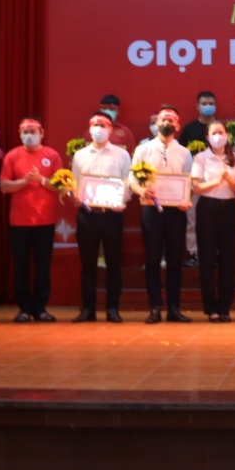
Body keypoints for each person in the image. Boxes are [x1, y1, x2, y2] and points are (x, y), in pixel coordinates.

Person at [129, 105, 195, 323]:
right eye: (163, 119)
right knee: (153, 259)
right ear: (156, 123)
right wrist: (141, 191)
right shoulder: (143, 149)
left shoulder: (184, 152)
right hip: (151, 210)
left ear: (178, 125)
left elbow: (189, 183)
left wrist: (186, 199)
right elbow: (132, 180)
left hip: (176, 212)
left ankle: (174, 308)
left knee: (175, 260)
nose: (167, 122)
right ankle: (155, 307)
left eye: (171, 120)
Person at [0, 116, 63, 322]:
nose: (29, 135)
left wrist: (41, 180)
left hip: (45, 220)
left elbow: (60, 186)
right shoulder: (12, 156)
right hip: (19, 221)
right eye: (25, 132)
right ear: (20, 134)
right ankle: (24, 309)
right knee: (21, 267)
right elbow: (4, 186)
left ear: (41, 133)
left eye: (33, 132)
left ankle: (40, 309)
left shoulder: (52, 155)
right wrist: (25, 181)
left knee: (43, 267)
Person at [70, 111, 131, 323]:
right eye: (95, 125)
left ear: (111, 129)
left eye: (103, 125)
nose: (99, 129)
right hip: (87, 215)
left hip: (112, 215)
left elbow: (128, 183)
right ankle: (88, 309)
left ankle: (112, 308)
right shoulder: (80, 155)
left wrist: (122, 200)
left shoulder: (121, 155)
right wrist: (73, 196)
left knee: (114, 263)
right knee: (88, 265)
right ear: (89, 127)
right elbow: (74, 183)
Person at [191, 121, 235, 322]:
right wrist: (216, 181)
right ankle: (211, 308)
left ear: (227, 135)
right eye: (214, 133)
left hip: (228, 209)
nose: (218, 136)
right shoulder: (200, 158)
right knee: (206, 259)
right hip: (207, 209)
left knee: (228, 259)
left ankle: (224, 307)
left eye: (221, 132)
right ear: (207, 137)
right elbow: (196, 188)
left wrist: (228, 180)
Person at [179, 91, 218, 267]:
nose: (208, 106)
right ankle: (194, 253)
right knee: (192, 218)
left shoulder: (220, 128)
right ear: (198, 106)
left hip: (217, 180)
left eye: (211, 103)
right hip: (194, 179)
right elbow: (182, 153)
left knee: (215, 220)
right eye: (204, 103)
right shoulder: (190, 129)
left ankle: (214, 253)